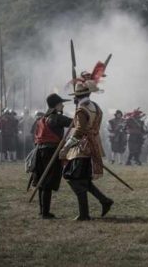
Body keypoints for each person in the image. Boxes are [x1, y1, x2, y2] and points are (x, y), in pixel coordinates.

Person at [61, 81, 113, 221]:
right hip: (93, 144)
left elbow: (79, 131)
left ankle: (85, 213)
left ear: (77, 96)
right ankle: (104, 201)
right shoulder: (95, 106)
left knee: (71, 176)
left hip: (81, 147)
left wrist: (66, 147)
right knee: (84, 179)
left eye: (75, 96)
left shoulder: (81, 110)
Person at [30, 94, 73, 219]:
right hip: (51, 152)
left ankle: (42, 210)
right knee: (47, 182)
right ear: (56, 105)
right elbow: (75, 123)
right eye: (61, 103)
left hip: (40, 151)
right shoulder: (56, 118)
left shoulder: (42, 118)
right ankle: (45, 213)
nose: (63, 105)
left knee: (42, 182)